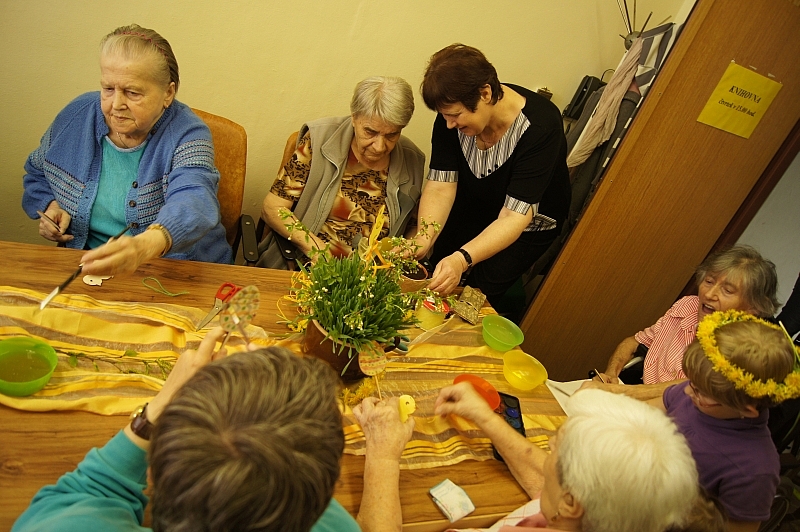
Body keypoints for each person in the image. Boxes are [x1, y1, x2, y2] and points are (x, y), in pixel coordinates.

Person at [12, 328, 412, 532]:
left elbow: (86, 493)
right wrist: (383, 456)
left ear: (158, 473)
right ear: (320, 499)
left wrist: (156, 409)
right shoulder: (326, 524)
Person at [22, 24, 231, 276]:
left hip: (176, 271)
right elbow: (38, 173)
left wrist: (147, 244)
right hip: (89, 268)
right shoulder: (76, 115)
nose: (116, 104)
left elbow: (195, 199)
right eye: (108, 89)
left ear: (168, 93)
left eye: (132, 93)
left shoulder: (189, 133)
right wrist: (51, 206)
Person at [412, 44, 571, 306]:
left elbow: (513, 216)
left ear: (485, 93)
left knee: (475, 293)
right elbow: (441, 185)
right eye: (444, 116)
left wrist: (462, 259)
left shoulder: (541, 128)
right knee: (439, 268)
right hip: (478, 203)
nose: (449, 124)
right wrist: (424, 237)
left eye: (455, 115)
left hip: (525, 223)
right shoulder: (449, 118)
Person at [433, 386, 698, 532]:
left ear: (570, 502)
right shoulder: (590, 512)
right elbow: (543, 478)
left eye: (556, 448)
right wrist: (484, 416)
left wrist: (393, 453)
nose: (548, 444)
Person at [649, 311, 800, 532]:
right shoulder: (697, 392)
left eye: (700, 392)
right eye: (692, 382)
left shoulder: (754, 470)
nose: (688, 391)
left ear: (747, 410)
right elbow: (643, 413)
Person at [256, 76, 425, 268]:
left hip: (371, 277)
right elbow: (273, 208)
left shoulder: (412, 160)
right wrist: (315, 248)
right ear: (354, 118)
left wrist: (405, 250)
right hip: (303, 264)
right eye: (370, 132)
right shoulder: (320, 140)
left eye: (392, 135)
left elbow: (414, 228)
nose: (379, 146)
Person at [591, 245, 779, 400]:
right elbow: (633, 342)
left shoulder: (745, 348)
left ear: (753, 308)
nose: (709, 294)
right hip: (632, 395)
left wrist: (622, 393)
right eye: (709, 281)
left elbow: (690, 387)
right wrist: (611, 375)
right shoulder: (687, 306)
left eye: (727, 291)